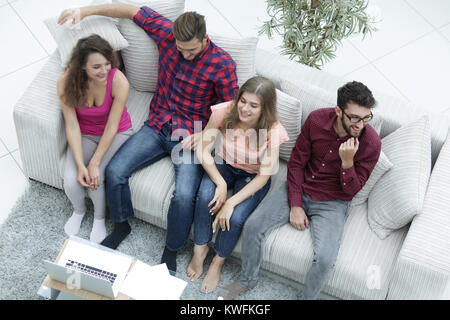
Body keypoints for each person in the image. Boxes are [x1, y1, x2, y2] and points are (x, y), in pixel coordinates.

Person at [58, 4, 238, 273]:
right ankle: (121, 225)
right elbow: (131, 10)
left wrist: (205, 134)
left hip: (187, 135)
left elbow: (230, 107)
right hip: (156, 125)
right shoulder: (166, 35)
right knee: (116, 171)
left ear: (204, 38)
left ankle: (171, 249)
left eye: (192, 49)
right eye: (180, 49)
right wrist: (83, 12)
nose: (185, 55)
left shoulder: (222, 64)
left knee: (184, 195)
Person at [219, 81, 382, 300]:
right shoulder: (316, 120)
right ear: (338, 111)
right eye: (354, 118)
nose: (360, 125)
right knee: (253, 226)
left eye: (365, 118)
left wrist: (347, 163)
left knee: (325, 260)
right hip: (300, 186)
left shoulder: (371, 143)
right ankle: (247, 280)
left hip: (334, 202)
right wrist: (295, 204)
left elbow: (352, 191)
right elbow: (296, 163)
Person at [186, 76, 289, 293]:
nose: (245, 109)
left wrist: (230, 202)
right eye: (243, 101)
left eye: (254, 105)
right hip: (223, 163)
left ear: (265, 108)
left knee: (236, 216)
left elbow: (263, 176)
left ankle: (218, 261)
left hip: (252, 175)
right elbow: (202, 150)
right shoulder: (225, 111)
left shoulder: (273, 131)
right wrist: (221, 184)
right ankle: (200, 249)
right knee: (206, 197)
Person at [57, 34, 133, 243]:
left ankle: (99, 219)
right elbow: (71, 125)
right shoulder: (66, 83)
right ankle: (79, 210)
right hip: (85, 134)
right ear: (82, 66)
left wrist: (94, 162)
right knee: (72, 180)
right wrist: (81, 164)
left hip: (117, 132)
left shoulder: (119, 81)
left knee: (96, 175)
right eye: (96, 67)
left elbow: (112, 125)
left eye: (107, 64)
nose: (104, 71)